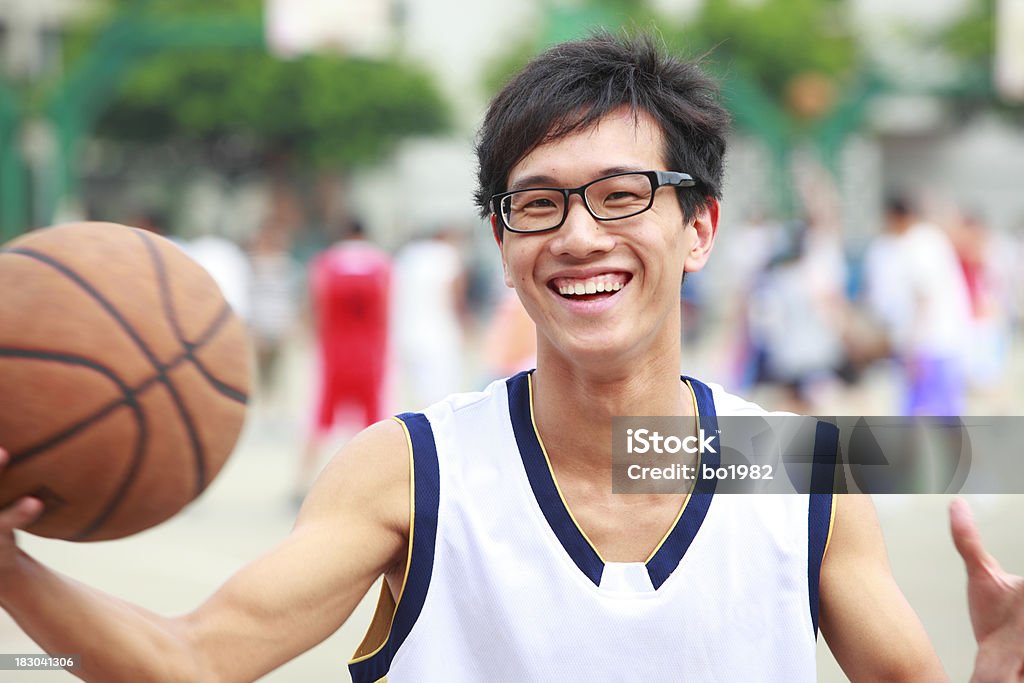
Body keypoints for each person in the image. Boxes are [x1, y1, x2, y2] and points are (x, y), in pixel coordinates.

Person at [0, 32, 1020, 682]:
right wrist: (10, 569)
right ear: (501, 239)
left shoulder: (800, 474)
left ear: (700, 227)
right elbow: (192, 660)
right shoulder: (412, 470)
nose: (577, 234)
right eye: (537, 202)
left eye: (622, 194)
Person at [298, 219, 392, 499]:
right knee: (375, 423)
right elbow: (386, 313)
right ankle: (378, 486)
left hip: (334, 353)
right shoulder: (381, 264)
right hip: (369, 354)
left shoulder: (325, 263)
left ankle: (301, 483)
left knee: (319, 419)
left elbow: (314, 308)